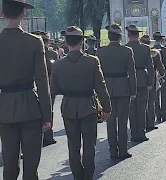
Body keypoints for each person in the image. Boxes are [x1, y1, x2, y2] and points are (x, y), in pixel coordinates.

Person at [0, 0, 52, 179]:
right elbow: (42, 80)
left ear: (3, 14)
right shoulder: (34, 42)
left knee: (9, 164)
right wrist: (47, 115)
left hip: (4, 107)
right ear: (23, 15)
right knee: (31, 165)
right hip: (30, 107)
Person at [51, 26, 111, 180]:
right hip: (88, 105)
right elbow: (101, 86)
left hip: (69, 105)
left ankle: (78, 176)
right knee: (89, 145)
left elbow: (54, 89)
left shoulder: (58, 64)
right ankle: (88, 176)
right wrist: (107, 107)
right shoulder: (92, 61)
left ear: (66, 42)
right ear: (81, 42)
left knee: (73, 145)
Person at [97, 24, 137, 159]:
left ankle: (113, 150)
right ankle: (123, 149)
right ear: (120, 37)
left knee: (110, 122)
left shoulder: (100, 52)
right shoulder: (127, 51)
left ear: (108, 37)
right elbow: (132, 73)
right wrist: (133, 91)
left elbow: (98, 75)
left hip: (107, 88)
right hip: (123, 88)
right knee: (123, 121)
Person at [125, 25, 155, 139]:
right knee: (142, 108)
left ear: (128, 36)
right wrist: (150, 82)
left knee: (132, 110)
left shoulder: (125, 48)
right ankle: (141, 133)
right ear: (138, 36)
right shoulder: (145, 48)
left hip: (128, 80)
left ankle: (133, 133)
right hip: (142, 78)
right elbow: (150, 67)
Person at [31, 31, 58, 147]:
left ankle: (48, 135)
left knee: (48, 109)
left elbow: (55, 70)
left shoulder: (52, 54)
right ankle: (43, 135)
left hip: (48, 83)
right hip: (34, 84)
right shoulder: (33, 51)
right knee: (38, 111)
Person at [140, 34, 165, 130]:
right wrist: (162, 74)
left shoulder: (136, 51)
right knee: (151, 102)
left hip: (140, 79)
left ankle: (142, 123)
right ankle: (150, 123)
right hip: (152, 78)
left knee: (141, 103)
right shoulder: (155, 53)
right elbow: (160, 67)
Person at [153, 32, 166, 122]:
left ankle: (158, 115)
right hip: (164, 74)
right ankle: (164, 115)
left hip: (155, 75)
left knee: (156, 97)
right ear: (161, 39)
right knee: (164, 96)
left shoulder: (151, 49)